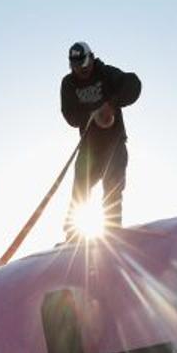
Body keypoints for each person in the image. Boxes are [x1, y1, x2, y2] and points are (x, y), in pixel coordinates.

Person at [59, 41, 141, 240]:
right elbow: (69, 114)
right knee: (80, 189)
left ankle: (112, 233)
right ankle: (74, 237)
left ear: (92, 58)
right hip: (89, 149)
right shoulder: (69, 84)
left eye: (85, 65)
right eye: (76, 67)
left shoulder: (106, 74)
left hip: (114, 143)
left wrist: (111, 104)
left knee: (113, 187)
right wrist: (91, 113)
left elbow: (133, 84)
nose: (82, 71)